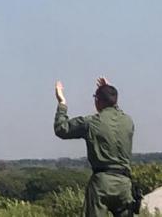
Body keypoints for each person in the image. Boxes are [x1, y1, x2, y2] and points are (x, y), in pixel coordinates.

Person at [54, 77, 136, 217]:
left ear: (97, 101)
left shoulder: (91, 122)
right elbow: (116, 112)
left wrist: (62, 103)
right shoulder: (128, 121)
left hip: (102, 183)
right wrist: (108, 91)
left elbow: (61, 129)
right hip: (124, 184)